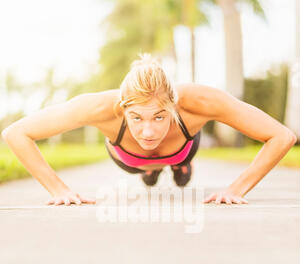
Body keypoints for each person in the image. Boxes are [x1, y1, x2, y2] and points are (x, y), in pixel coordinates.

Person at [1, 53, 297, 206]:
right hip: (128, 159)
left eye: (159, 117)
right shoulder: (98, 107)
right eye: (136, 118)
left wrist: (236, 189)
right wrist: (59, 190)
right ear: (122, 106)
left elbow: (282, 136)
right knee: (143, 169)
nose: (147, 132)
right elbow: (16, 133)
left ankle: (179, 164)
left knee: (180, 165)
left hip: (181, 149)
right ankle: (150, 170)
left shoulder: (199, 101)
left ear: (174, 105)